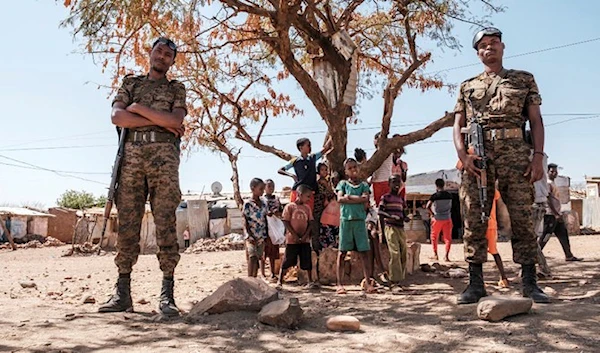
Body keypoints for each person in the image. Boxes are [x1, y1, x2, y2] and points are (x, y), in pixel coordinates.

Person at [453, 27, 549, 304]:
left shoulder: (523, 79)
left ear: (502, 47)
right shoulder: (467, 86)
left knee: (521, 217)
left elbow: (536, 120)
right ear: (478, 52)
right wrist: (463, 155)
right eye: (483, 45)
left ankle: (529, 283)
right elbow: (457, 125)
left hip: (516, 154)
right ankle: (475, 284)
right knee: (473, 216)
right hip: (478, 159)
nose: (489, 48)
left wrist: (539, 156)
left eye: (494, 43)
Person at [99, 37, 187, 316]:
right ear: (149, 54)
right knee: (127, 224)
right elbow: (117, 117)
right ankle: (122, 293)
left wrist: (137, 109)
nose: (162, 56)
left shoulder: (176, 88)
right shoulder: (131, 83)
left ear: (172, 61)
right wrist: (154, 118)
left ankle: (167, 295)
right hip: (131, 161)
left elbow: (176, 122)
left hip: (164, 161)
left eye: (168, 54)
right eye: (158, 51)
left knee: (165, 222)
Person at [336, 158, 375, 294]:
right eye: (350, 168)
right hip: (346, 220)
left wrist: (349, 197)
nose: (353, 170)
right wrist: (356, 199)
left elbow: (365, 199)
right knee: (342, 253)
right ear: (346, 171)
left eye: (355, 167)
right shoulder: (342, 184)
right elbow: (340, 199)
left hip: (359, 220)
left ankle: (368, 283)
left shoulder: (364, 185)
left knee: (364, 252)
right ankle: (339, 284)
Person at [539, 164, 582, 261]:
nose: (554, 173)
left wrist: (558, 213)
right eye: (552, 171)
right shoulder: (547, 183)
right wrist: (555, 213)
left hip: (557, 214)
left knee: (563, 234)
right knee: (545, 236)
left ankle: (569, 255)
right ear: (548, 172)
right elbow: (548, 200)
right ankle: (535, 256)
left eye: (555, 171)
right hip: (550, 215)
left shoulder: (553, 183)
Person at [277, 185, 317, 290]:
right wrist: (294, 235)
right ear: (300, 195)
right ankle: (279, 281)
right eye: (307, 196)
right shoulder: (290, 207)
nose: (309, 199)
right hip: (292, 240)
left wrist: (305, 236)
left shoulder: (307, 208)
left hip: (305, 240)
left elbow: (310, 222)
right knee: (287, 260)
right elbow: (286, 221)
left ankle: (310, 281)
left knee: (306, 260)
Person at [278, 137, 332, 212]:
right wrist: (291, 175)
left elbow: (325, 149)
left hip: (310, 192)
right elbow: (280, 170)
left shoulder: (313, 157)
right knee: (295, 213)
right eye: (308, 145)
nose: (310, 147)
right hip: (298, 191)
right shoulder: (295, 161)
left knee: (308, 214)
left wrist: (331, 136)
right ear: (301, 147)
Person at [378, 175, 409, 293]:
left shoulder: (401, 199)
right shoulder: (385, 198)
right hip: (390, 228)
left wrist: (405, 218)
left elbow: (404, 213)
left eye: (398, 182)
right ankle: (394, 281)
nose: (396, 184)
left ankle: (400, 279)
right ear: (389, 184)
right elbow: (380, 212)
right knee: (395, 253)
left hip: (400, 229)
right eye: (394, 182)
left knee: (403, 252)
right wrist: (390, 218)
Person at [243, 178, 269, 278]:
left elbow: (265, 219)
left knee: (258, 258)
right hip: (251, 235)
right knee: (252, 257)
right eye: (261, 189)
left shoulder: (264, 203)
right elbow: (245, 219)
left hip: (261, 235)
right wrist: (249, 234)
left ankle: (254, 279)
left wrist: (267, 234)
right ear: (253, 189)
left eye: (263, 189)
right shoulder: (248, 204)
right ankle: (249, 279)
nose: (262, 191)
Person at [532, 153, 552, 277]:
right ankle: (541, 267)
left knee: (529, 239)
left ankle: (542, 267)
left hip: (535, 202)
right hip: (539, 202)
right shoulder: (541, 157)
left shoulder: (533, 157)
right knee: (530, 238)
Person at [486, 188, 509, 288]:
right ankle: (503, 278)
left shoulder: (491, 190)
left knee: (489, 251)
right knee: (493, 251)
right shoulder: (493, 190)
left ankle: (503, 278)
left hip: (487, 224)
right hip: (491, 224)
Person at [426, 179, 454, 262]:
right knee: (447, 238)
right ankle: (446, 256)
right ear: (444, 185)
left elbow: (428, 206)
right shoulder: (449, 195)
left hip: (437, 218)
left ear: (436, 185)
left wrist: (432, 214)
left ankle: (435, 255)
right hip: (447, 218)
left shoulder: (435, 196)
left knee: (434, 237)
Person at [263, 179, 283, 282]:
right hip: (265, 228)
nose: (271, 188)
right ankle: (262, 273)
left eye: (272, 186)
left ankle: (272, 273)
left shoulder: (276, 199)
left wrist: (276, 213)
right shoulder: (262, 200)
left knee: (273, 252)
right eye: (269, 186)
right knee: (264, 251)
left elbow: (281, 211)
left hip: (275, 227)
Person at [371, 132, 395, 205]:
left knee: (388, 203)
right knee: (379, 203)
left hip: (386, 180)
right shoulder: (375, 154)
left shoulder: (389, 152)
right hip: (377, 181)